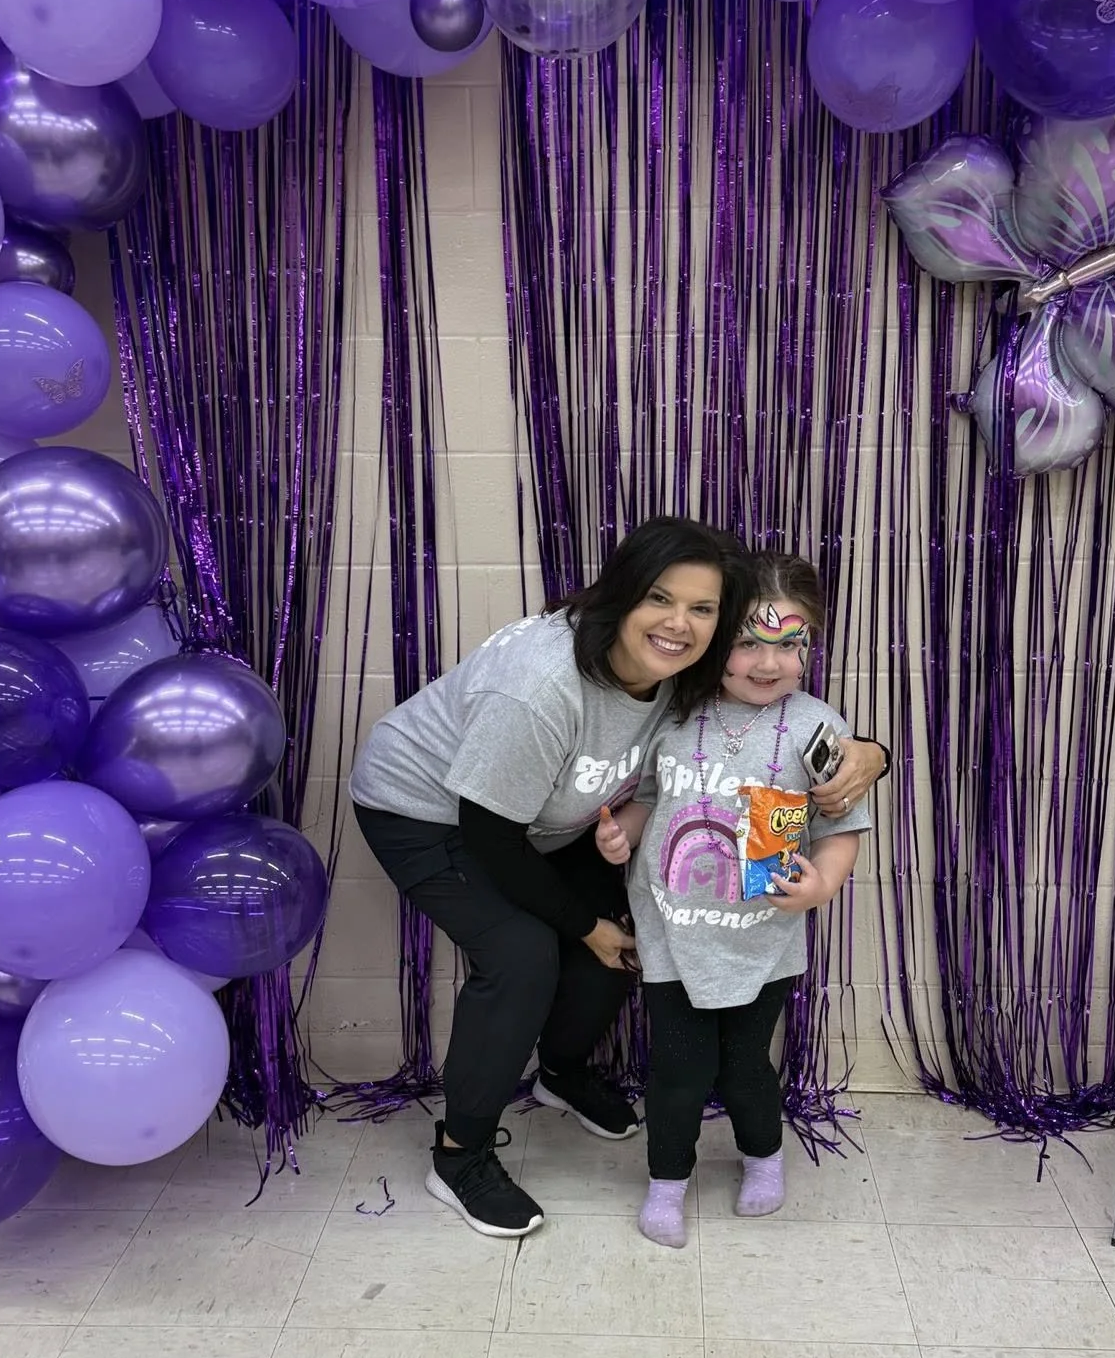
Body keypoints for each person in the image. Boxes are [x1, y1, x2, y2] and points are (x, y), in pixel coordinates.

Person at [350, 518, 885, 1239]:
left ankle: (563, 1072)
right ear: (621, 592)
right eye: (661, 599)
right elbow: (489, 836)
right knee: (523, 956)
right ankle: (460, 1154)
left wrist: (871, 752)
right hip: (431, 811)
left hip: (543, 816)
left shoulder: (691, 668)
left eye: (702, 610)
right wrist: (584, 926)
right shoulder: (540, 687)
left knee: (627, 930)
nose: (679, 624)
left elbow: (783, 723)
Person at [595, 552, 870, 1249]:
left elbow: (840, 826)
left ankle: (764, 1159)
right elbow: (650, 799)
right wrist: (620, 835)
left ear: (813, 644)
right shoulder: (675, 711)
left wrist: (824, 882)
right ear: (719, 641)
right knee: (679, 1070)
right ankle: (666, 1181)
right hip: (671, 936)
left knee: (746, 1068)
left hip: (763, 944)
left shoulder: (816, 727)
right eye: (748, 641)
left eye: (789, 643)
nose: (766, 663)